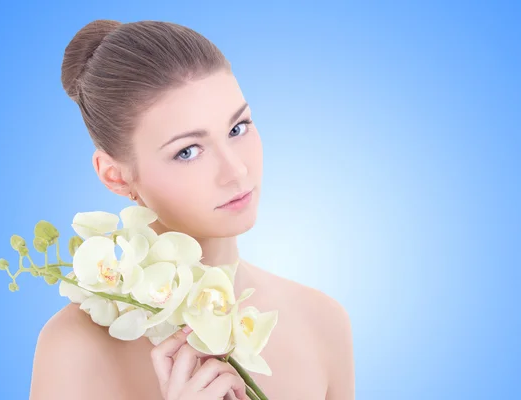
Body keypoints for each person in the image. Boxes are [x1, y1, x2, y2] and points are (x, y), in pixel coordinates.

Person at [29, 19, 355, 400]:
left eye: (238, 128)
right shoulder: (75, 349)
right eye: (188, 151)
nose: (236, 171)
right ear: (116, 176)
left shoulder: (323, 323)